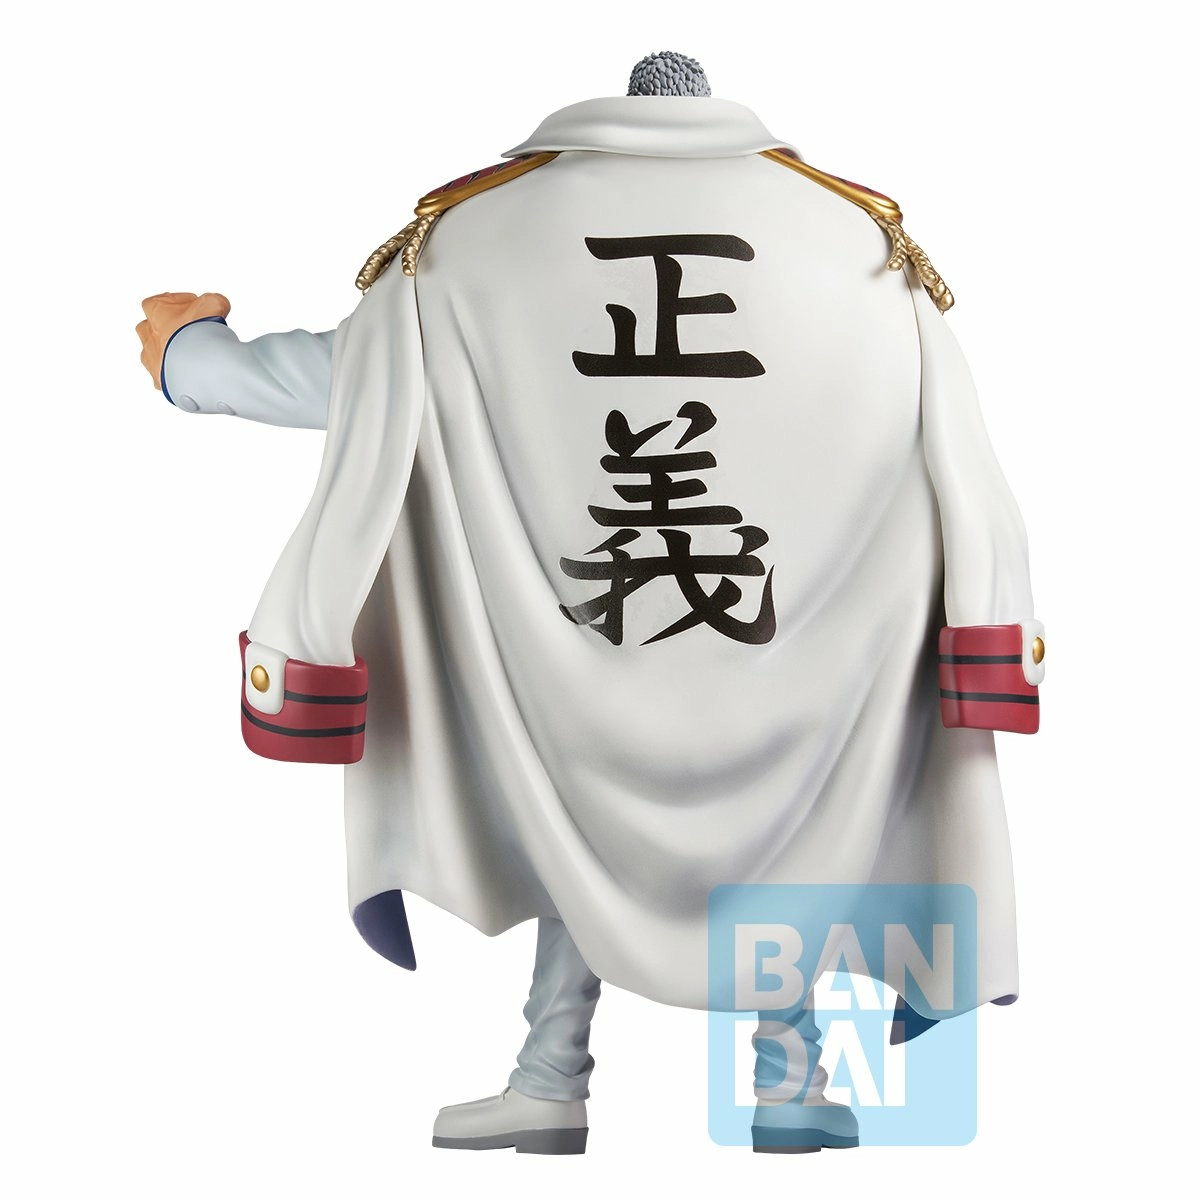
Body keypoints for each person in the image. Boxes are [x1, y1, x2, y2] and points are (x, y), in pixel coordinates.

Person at [136, 51, 1044, 1154]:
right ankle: (786, 1080)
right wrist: (985, 624)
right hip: (790, 648)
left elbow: (357, 380)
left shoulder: (479, 235)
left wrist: (190, 355)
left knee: (572, 816)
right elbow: (955, 448)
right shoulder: (856, 245)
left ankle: (552, 1076)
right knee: (784, 832)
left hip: (575, 641)